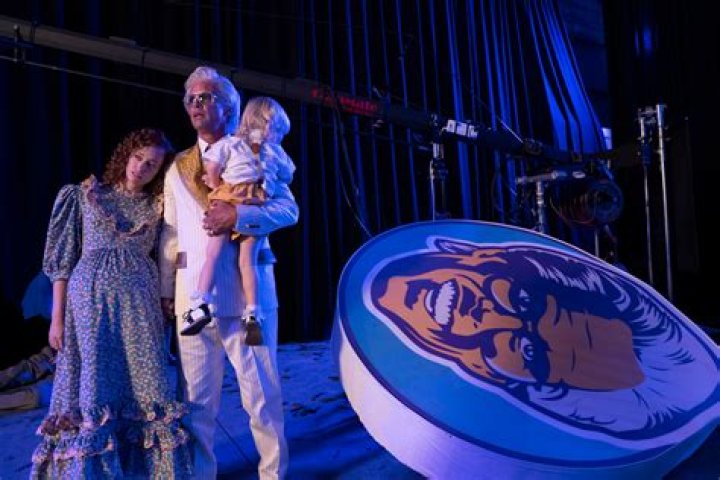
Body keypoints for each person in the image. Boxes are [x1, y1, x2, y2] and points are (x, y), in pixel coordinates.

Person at [160, 66, 298, 479]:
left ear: (230, 107)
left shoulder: (256, 152)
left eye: (206, 97)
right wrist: (166, 291)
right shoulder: (177, 166)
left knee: (262, 398)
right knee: (196, 406)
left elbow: (289, 210)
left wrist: (238, 215)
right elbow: (170, 233)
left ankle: (273, 475)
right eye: (191, 99)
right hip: (194, 299)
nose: (197, 105)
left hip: (248, 298)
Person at [31, 129, 192, 478]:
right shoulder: (86, 195)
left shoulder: (158, 205)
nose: (141, 167)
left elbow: (172, 250)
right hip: (89, 309)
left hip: (138, 310)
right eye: (138, 157)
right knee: (93, 385)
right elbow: (61, 263)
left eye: (151, 164)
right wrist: (57, 317)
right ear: (126, 155)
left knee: (141, 386)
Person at [181, 96, 296, 346]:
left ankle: (212, 305)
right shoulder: (244, 148)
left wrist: (223, 194)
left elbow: (290, 209)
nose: (279, 137)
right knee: (237, 259)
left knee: (228, 257)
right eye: (277, 130)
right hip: (248, 197)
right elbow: (288, 173)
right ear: (263, 123)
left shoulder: (236, 145)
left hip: (239, 200)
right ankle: (241, 310)